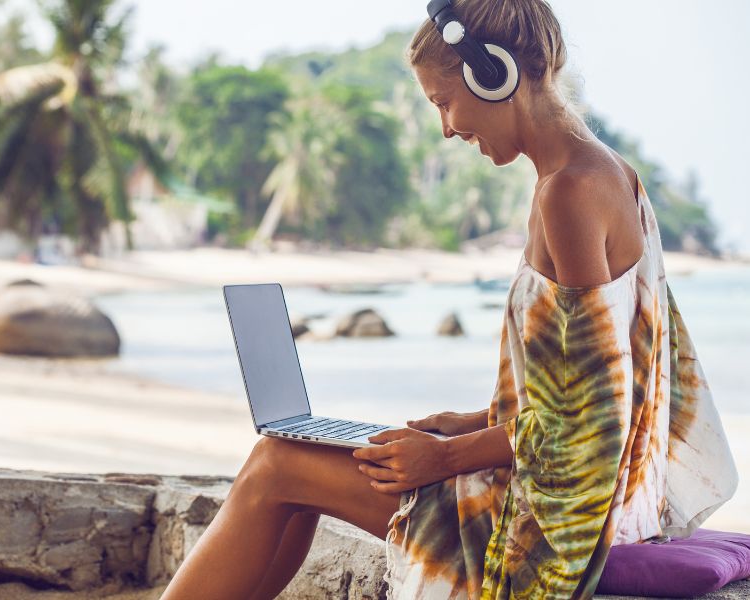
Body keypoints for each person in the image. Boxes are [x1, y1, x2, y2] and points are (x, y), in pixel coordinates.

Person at [160, 1, 738, 598]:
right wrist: (474, 425)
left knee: (276, 462)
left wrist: (446, 459)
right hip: (597, 505)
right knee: (300, 458)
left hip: (553, 531)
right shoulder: (611, 173)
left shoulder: (569, 193)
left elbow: (592, 421)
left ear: (496, 76)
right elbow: (595, 388)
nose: (446, 127)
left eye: (442, 101)